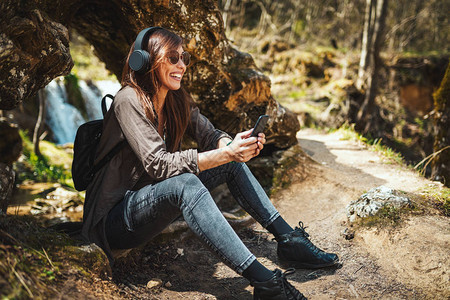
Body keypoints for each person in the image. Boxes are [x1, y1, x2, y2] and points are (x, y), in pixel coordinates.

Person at [81, 27, 339, 300]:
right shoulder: (128, 99)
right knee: (187, 183)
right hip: (114, 219)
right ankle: (266, 283)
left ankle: (289, 241)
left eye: (185, 58)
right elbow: (158, 165)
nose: (182, 65)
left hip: (153, 201)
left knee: (230, 163)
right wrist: (227, 153)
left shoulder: (175, 97)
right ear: (145, 60)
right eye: (173, 57)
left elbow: (209, 135)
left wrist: (231, 147)